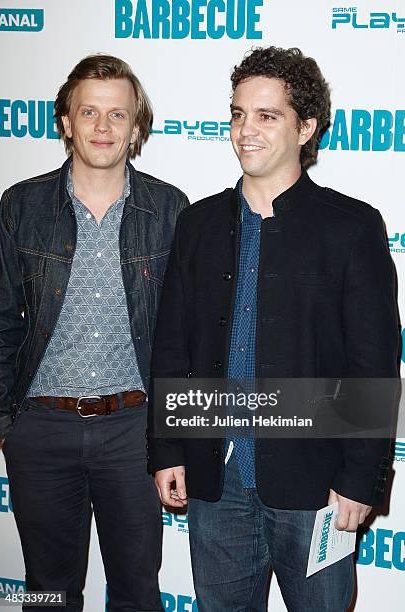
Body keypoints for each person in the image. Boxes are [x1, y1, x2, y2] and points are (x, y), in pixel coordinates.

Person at [148, 46, 399, 611]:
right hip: (218, 478)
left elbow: (374, 364)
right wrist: (167, 448)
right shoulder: (198, 224)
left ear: (306, 127)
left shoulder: (352, 227)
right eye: (238, 114)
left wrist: (361, 480)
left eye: (267, 115)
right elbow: (171, 350)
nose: (245, 131)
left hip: (316, 487)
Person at [0, 54, 189, 612]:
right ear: (65, 121)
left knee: (136, 592)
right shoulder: (22, 205)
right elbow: (2, 318)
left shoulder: (169, 209)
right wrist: (9, 425)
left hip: (134, 432)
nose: (103, 128)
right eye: (89, 113)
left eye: (117, 116)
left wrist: (172, 432)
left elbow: (183, 335)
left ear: (136, 128)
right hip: (41, 431)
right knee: (49, 595)